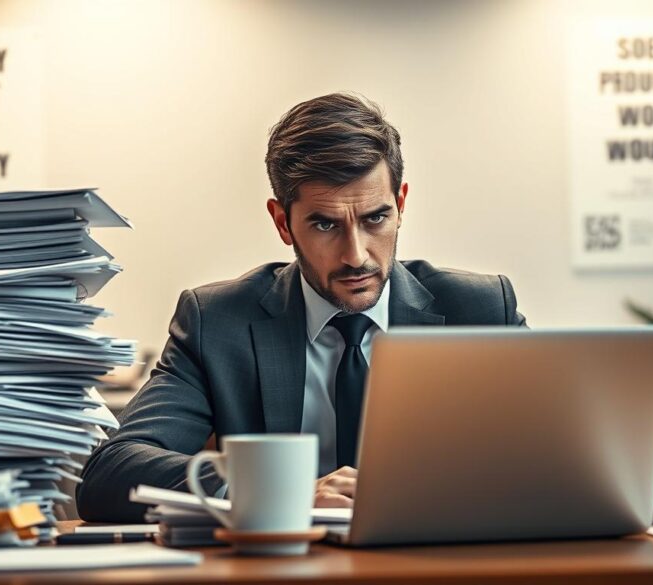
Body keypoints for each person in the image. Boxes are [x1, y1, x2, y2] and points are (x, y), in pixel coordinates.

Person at [77, 93, 526, 522]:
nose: (356, 255)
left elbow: (570, 454)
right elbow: (110, 474)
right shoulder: (216, 322)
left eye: (376, 218)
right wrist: (279, 490)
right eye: (325, 224)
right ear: (282, 222)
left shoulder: (483, 310)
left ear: (401, 204)